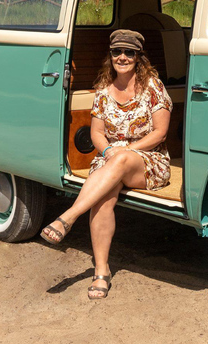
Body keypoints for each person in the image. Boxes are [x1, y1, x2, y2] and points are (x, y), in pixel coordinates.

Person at [40, 29, 172, 300]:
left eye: (129, 53)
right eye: (117, 52)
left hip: (149, 160)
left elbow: (160, 133)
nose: (122, 57)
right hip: (111, 159)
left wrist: (123, 152)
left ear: (139, 57)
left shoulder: (153, 87)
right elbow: (96, 134)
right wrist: (110, 150)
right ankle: (101, 271)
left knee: (118, 163)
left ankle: (69, 217)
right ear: (110, 56)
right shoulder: (103, 90)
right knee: (103, 200)